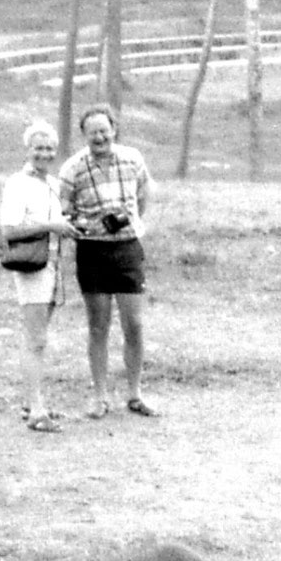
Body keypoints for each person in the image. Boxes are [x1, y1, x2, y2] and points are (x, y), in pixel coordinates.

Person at [58, 103, 158, 420]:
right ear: (84, 135)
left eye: (104, 130)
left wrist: (132, 221)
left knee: (135, 325)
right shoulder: (72, 168)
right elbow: (63, 210)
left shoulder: (133, 158)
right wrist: (87, 226)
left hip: (128, 249)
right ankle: (100, 397)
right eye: (93, 132)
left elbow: (144, 194)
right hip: (92, 252)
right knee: (98, 326)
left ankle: (134, 394)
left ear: (114, 129)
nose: (100, 137)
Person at [0, 119, 77, 433]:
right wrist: (51, 227)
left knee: (38, 337)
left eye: (49, 148)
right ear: (27, 150)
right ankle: (36, 411)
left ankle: (30, 402)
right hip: (32, 266)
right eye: (38, 148)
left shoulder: (54, 184)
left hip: (53, 265)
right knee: (36, 339)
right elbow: (10, 229)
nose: (44, 154)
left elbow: (59, 223)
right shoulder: (18, 183)